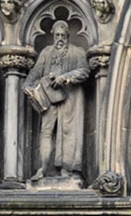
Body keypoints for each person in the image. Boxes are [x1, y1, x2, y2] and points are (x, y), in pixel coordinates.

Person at [25, 19, 91, 183]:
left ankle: (67, 170)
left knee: (68, 133)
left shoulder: (77, 51)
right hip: (49, 97)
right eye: (57, 35)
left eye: (63, 35)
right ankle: (43, 168)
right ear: (53, 36)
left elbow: (84, 71)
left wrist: (64, 77)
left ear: (68, 36)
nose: (60, 38)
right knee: (46, 132)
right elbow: (36, 71)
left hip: (71, 99)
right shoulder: (47, 52)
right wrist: (27, 85)